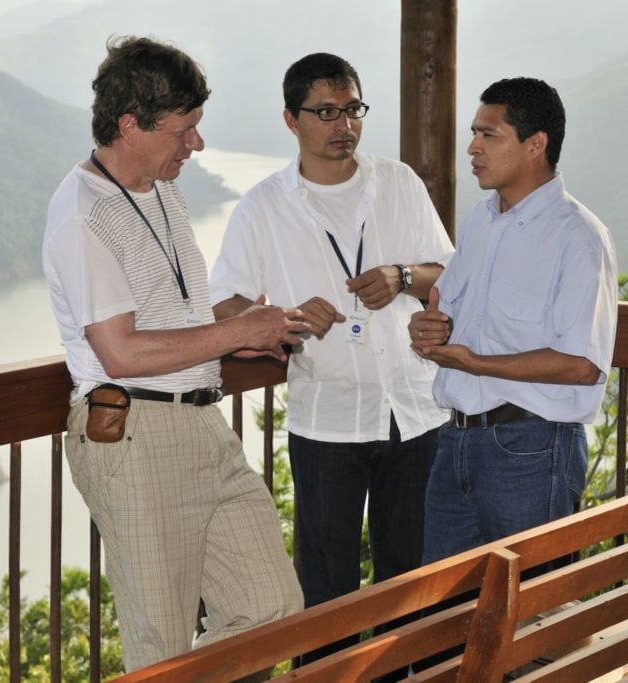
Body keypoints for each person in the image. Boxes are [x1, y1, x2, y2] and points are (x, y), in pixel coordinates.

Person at [41, 36, 305, 673]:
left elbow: (176, 320)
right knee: (160, 642)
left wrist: (246, 325)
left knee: (274, 607)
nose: (197, 145)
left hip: (200, 423)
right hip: (134, 434)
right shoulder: (84, 215)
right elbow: (122, 352)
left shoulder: (164, 192)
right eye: (184, 130)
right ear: (131, 125)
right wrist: (239, 332)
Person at [208, 52, 454, 668]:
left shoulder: (397, 181)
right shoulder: (263, 205)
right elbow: (224, 303)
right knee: (327, 585)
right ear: (291, 120)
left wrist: (401, 276)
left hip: (415, 411)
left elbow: (447, 273)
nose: (342, 125)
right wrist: (285, 319)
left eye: (352, 110)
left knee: (413, 575)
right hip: (327, 419)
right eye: (325, 112)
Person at [410, 76, 618, 566]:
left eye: (488, 135)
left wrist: (478, 364)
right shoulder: (481, 221)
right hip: (456, 438)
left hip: (530, 446)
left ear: (535, 145)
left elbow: (582, 365)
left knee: (531, 616)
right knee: (439, 616)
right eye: (474, 133)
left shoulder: (578, 236)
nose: (472, 147)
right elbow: (450, 318)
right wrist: (429, 329)